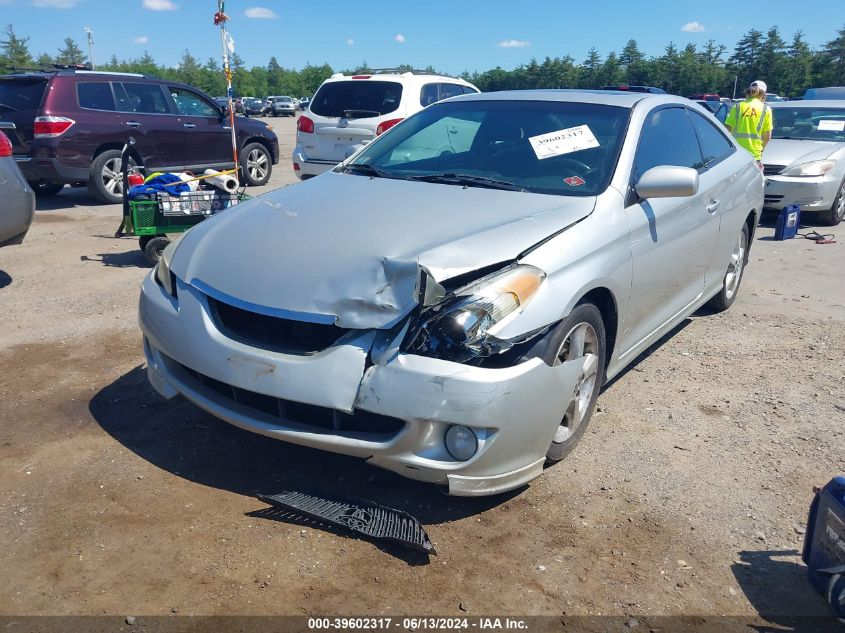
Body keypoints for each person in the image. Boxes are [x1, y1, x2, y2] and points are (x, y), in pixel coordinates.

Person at [724, 80, 773, 169]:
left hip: (736, 154)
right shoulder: (766, 109)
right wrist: (760, 150)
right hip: (754, 154)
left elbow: (726, 129)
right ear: (763, 94)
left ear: (749, 92)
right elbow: (766, 137)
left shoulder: (738, 106)